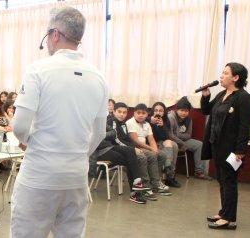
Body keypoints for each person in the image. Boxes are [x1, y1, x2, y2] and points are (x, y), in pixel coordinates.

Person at [10, 7, 107, 238]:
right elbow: (100, 132)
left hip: (39, 174)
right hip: (76, 176)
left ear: (54, 33)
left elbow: (19, 126)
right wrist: (78, 154)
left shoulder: (38, 70)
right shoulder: (98, 77)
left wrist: (31, 142)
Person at [201, 62, 250, 230]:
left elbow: (244, 126)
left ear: (236, 77)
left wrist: (240, 151)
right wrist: (205, 95)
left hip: (232, 149)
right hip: (217, 145)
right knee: (222, 180)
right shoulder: (223, 93)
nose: (221, 76)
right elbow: (206, 110)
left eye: (225, 73)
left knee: (229, 181)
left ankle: (230, 219)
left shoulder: (243, 97)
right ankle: (224, 212)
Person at [126, 104, 172, 195]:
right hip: (136, 147)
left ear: (147, 114)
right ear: (134, 113)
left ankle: (155, 181)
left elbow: (151, 139)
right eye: (138, 113)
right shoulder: (130, 122)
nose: (141, 115)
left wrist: (155, 149)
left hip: (145, 147)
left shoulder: (147, 124)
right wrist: (151, 149)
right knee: (151, 155)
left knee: (162, 155)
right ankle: (147, 184)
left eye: (143, 113)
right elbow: (135, 141)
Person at [168, 96, 209, 179]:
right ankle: (170, 174)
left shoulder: (189, 119)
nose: (184, 113)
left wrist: (177, 134)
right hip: (171, 141)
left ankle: (198, 171)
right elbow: (170, 135)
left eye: (186, 111)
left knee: (199, 144)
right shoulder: (171, 117)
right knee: (174, 144)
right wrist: (181, 141)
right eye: (182, 110)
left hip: (183, 141)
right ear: (177, 110)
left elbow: (188, 135)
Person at [148, 102, 180, 188]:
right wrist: (151, 121)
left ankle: (168, 171)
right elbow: (150, 137)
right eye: (156, 110)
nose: (158, 113)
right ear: (152, 111)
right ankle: (169, 172)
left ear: (164, 112)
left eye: (161, 111)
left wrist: (162, 126)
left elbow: (167, 136)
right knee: (172, 145)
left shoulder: (166, 120)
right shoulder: (148, 118)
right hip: (152, 143)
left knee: (175, 145)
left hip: (162, 141)